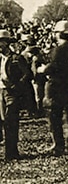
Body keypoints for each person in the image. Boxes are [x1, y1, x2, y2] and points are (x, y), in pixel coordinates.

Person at [39, 20, 68, 156]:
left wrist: (43, 69)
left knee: (55, 117)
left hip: (57, 88)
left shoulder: (57, 50)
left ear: (58, 34)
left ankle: (58, 145)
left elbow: (53, 67)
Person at [0, 30, 27, 160]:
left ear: (7, 43)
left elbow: (27, 75)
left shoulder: (17, 58)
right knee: (3, 122)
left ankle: (11, 152)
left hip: (11, 93)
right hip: (0, 92)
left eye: (1, 42)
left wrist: (16, 86)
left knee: (11, 121)